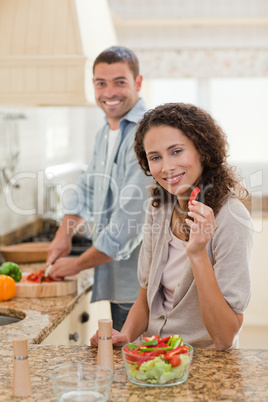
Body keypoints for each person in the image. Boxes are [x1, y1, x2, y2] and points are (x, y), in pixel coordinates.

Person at [90, 102, 254, 350]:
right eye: (155, 157)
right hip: (154, 355)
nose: (166, 167)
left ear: (202, 151)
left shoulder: (231, 217)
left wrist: (198, 253)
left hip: (205, 364)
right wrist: (126, 336)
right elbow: (146, 297)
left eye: (176, 151)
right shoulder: (158, 209)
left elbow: (224, 338)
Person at [46, 46, 151, 331]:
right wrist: (63, 235)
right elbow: (88, 187)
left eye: (120, 82)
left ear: (137, 83)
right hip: (118, 280)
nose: (109, 93)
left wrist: (77, 264)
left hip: (142, 287)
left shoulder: (147, 134)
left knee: (140, 370)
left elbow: (128, 224)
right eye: (100, 83)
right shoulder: (105, 132)